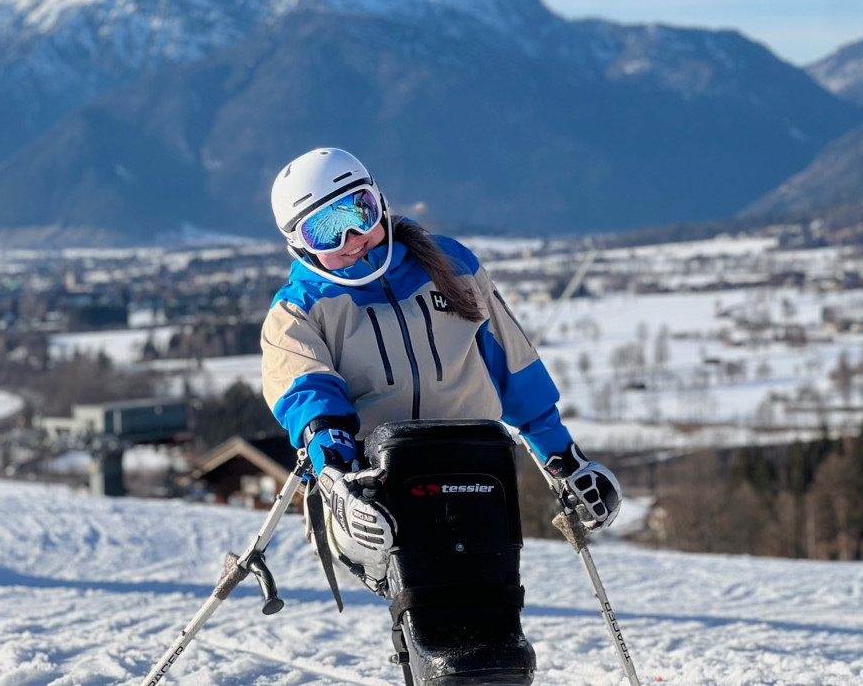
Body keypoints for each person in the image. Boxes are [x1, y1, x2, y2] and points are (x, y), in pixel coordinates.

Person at [260, 146, 621, 590]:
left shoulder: (451, 267)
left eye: (360, 211)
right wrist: (337, 474)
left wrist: (564, 459)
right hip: (374, 482)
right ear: (298, 244)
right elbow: (310, 397)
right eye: (326, 231)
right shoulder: (299, 311)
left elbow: (513, 367)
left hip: (472, 464)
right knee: (421, 594)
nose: (353, 236)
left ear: (380, 201)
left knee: (493, 599)